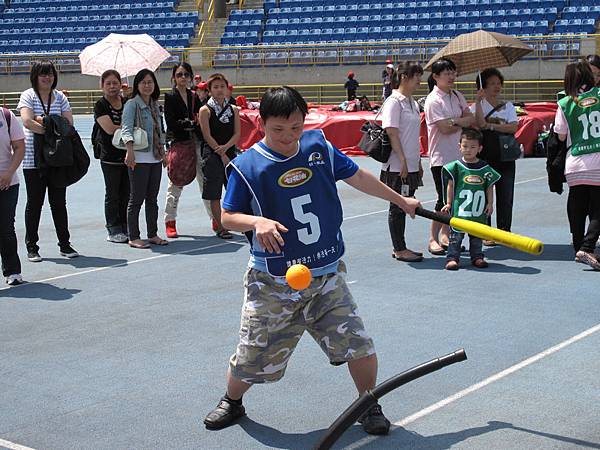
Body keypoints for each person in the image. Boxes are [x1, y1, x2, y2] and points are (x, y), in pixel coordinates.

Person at [203, 86, 421, 433]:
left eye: (295, 128)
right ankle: (232, 401)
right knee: (251, 355)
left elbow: (359, 176)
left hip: (326, 276)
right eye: (278, 130)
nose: (288, 137)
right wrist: (256, 221)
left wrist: (400, 200)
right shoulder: (247, 165)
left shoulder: (319, 147)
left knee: (358, 344)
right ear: (261, 124)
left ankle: (368, 403)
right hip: (272, 281)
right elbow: (227, 217)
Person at [17, 60, 78, 262]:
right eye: (43, 74)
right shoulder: (28, 95)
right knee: (35, 203)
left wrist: (43, 122)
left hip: (57, 158)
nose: (47, 77)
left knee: (59, 203)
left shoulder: (59, 97)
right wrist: (52, 129)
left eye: (50, 74)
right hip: (33, 159)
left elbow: (69, 123)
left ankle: (65, 244)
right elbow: (26, 120)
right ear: (35, 76)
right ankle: (32, 246)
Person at [424, 57, 475, 255]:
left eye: (453, 73)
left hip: (458, 156)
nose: (452, 76)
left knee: (454, 200)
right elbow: (444, 128)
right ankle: (433, 239)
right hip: (441, 157)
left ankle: (445, 235)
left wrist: (455, 121)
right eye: (447, 73)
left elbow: (470, 120)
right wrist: (459, 121)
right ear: (436, 77)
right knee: (442, 199)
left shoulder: (457, 95)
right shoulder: (433, 100)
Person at [554, 61, 600, 270]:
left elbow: (561, 136)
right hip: (597, 160)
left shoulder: (564, 102)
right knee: (598, 209)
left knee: (577, 205)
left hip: (575, 162)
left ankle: (578, 245)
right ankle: (588, 247)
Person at [380, 61, 425, 262]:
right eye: (417, 77)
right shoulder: (394, 101)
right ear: (405, 77)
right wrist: (403, 161)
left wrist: (418, 162)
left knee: (404, 205)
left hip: (411, 162)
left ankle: (401, 246)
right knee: (397, 206)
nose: (420, 82)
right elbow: (392, 132)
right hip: (397, 165)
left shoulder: (413, 103)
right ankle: (399, 248)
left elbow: (413, 135)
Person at [163, 63, 213, 238]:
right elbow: (172, 123)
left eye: (186, 74)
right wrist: (190, 123)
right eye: (179, 74)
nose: (183, 77)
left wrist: (190, 124)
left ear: (190, 77)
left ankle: (215, 218)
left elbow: (200, 119)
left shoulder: (194, 97)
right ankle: (170, 220)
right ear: (174, 77)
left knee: (204, 181)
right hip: (179, 143)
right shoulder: (169, 97)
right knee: (175, 183)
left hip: (197, 144)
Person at [471, 68, 519, 245]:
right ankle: (487, 232)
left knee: (506, 196)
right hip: (485, 157)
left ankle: (504, 232)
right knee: (484, 195)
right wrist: (477, 101)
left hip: (505, 157)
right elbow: (476, 126)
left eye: (498, 83)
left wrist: (491, 127)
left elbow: (513, 127)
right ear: (483, 86)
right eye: (492, 84)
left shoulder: (508, 106)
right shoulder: (477, 106)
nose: (496, 87)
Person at [121, 69, 168, 249]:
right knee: (136, 198)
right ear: (137, 85)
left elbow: (159, 131)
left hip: (154, 157)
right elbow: (126, 128)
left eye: (150, 82)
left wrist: (163, 153)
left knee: (152, 199)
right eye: (143, 82)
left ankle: (153, 234)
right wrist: (129, 150)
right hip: (139, 157)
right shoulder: (132, 104)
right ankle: (133, 236)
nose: (147, 85)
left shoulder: (156, 105)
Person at [442, 128, 500, 270]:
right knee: (455, 237)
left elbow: (489, 186)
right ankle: (452, 258)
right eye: (465, 146)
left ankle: (478, 257)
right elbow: (450, 185)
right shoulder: (456, 167)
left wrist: (490, 203)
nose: (468, 150)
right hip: (460, 210)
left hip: (478, 210)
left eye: (473, 147)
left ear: (479, 148)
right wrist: (448, 203)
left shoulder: (484, 168)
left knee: (477, 237)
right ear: (459, 146)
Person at [198, 73, 240, 239]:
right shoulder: (205, 110)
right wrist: (220, 152)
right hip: (212, 154)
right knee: (214, 193)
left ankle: (237, 221)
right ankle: (220, 227)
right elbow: (207, 135)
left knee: (234, 189)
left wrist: (226, 148)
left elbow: (237, 134)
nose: (219, 90)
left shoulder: (233, 109)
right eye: (215, 87)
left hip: (230, 153)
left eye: (222, 86)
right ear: (209, 90)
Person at [93, 69, 129, 244]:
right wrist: (127, 127)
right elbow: (109, 129)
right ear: (102, 86)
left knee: (127, 193)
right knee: (113, 193)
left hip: (129, 154)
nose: (112, 86)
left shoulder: (127, 102)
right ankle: (113, 228)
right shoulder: (100, 105)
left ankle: (125, 225)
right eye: (108, 83)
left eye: (115, 83)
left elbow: (135, 123)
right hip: (109, 156)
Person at [0, 105, 25, 285]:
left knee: (6, 229)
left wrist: (9, 172)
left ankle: (12, 271)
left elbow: (19, 147)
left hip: (7, 183)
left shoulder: (6, 116)